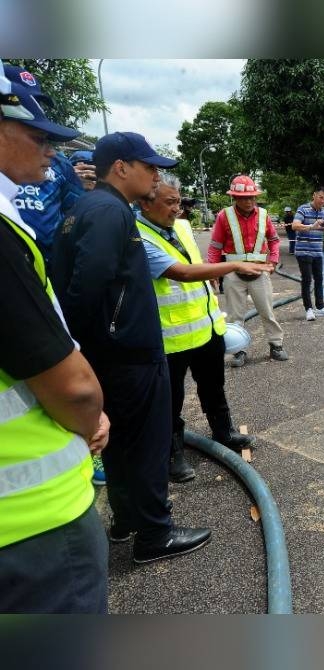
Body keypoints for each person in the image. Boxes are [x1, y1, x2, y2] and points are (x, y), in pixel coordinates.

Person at [52, 131, 212, 564]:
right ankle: (155, 535)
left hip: (114, 352)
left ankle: (125, 521)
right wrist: (100, 339)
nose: (156, 175)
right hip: (128, 355)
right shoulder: (110, 212)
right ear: (121, 167)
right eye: (149, 166)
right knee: (148, 443)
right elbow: (88, 287)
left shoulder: (91, 208)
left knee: (121, 443)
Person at [0, 61, 110, 612]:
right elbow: (75, 389)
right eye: (37, 136)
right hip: (32, 526)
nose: (51, 150)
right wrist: (92, 421)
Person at [136, 174, 264, 478]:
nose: (177, 209)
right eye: (169, 203)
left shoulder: (181, 227)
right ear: (144, 202)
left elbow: (200, 268)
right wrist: (233, 265)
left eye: (179, 202)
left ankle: (223, 432)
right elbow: (181, 272)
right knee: (171, 399)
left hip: (205, 328)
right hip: (172, 338)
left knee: (213, 387)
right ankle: (172, 452)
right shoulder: (137, 235)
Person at [207, 175, 287, 366]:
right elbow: (215, 247)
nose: (249, 201)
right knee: (235, 315)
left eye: (252, 197)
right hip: (234, 274)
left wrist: (273, 261)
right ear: (235, 198)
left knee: (267, 311)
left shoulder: (264, 215)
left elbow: (274, 241)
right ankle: (238, 350)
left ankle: (276, 345)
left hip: (260, 272)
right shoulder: (223, 216)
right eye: (244, 198)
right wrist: (213, 271)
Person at [292, 186, 324, 321]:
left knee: (319, 278)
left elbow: (323, 230)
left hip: (317, 251)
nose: (323, 201)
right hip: (303, 250)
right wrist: (312, 226)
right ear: (314, 195)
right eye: (321, 197)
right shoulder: (303, 209)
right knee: (307, 279)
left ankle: (320, 307)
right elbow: (295, 226)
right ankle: (309, 309)